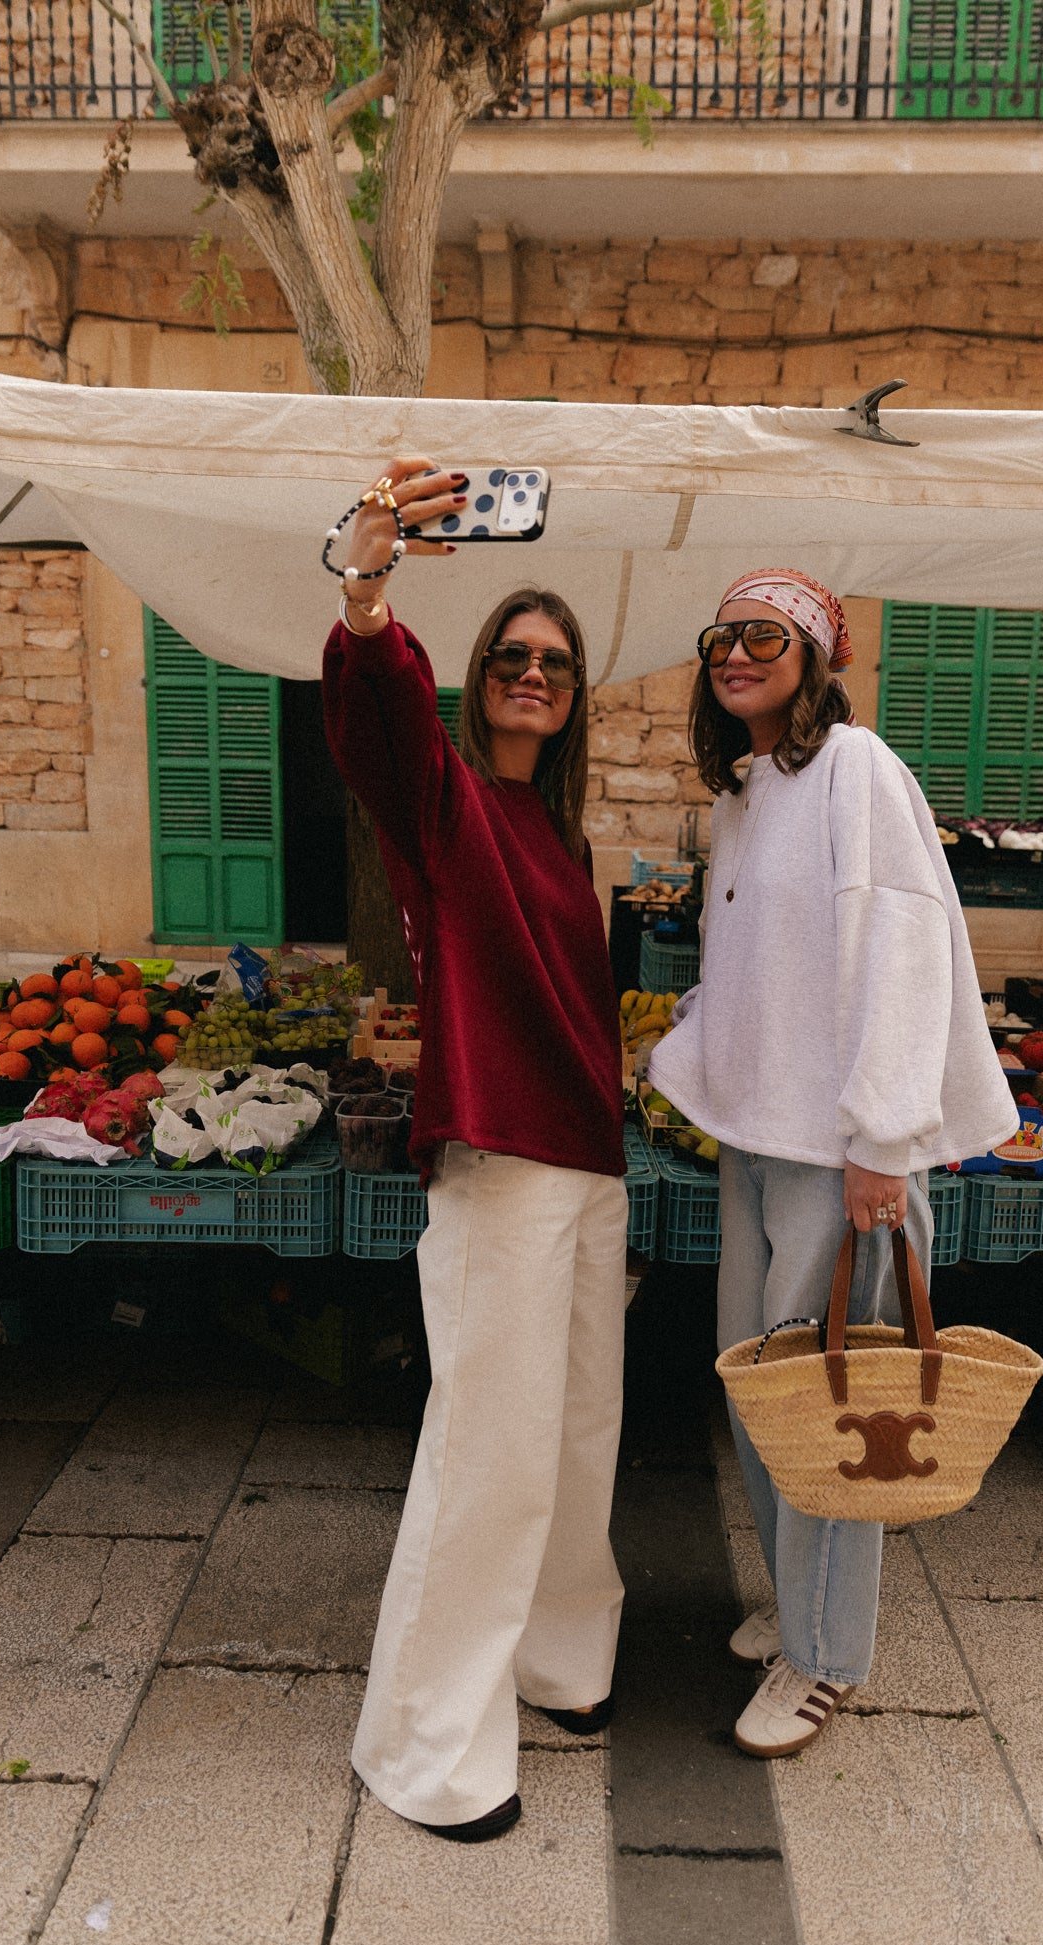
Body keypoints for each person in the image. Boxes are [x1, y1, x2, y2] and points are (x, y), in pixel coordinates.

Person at [648, 569, 1017, 1758]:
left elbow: (901, 945)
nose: (736, 653)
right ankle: (796, 1603)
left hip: (842, 1157)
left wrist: (882, 1140)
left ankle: (825, 1657)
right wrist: (684, 1055)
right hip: (758, 1141)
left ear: (813, 656)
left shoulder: (856, 767)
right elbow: (753, 966)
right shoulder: (748, 792)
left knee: (846, 1405)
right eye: (722, 635)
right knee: (767, 1398)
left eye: (765, 636)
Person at [322, 459, 629, 1843]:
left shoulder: (564, 837)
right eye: (511, 655)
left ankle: (561, 1659)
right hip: (500, 1157)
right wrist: (368, 591)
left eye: (554, 662)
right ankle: (426, 1750)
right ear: (478, 679)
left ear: (574, 697)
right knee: (489, 1449)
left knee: (575, 1432)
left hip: (585, 1158)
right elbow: (377, 716)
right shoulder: (442, 803)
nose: (532, 673)